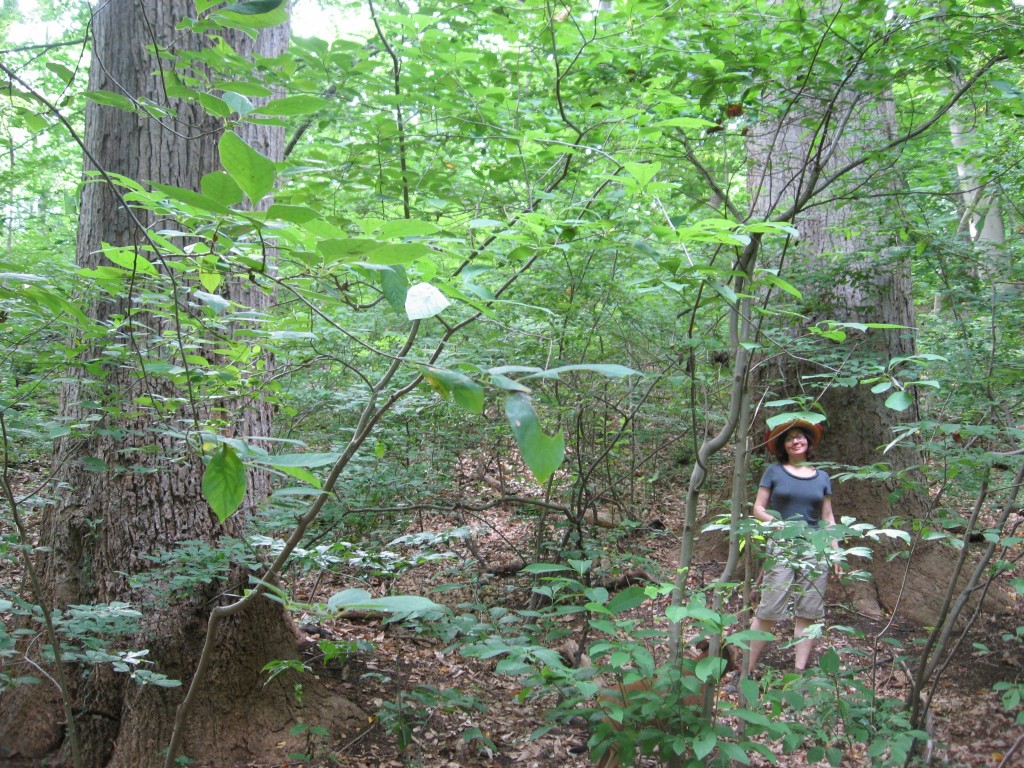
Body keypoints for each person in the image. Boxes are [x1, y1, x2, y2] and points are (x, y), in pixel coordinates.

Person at [748, 419, 840, 676]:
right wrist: (777, 525)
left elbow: (828, 516)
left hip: (814, 548)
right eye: (790, 438)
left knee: (808, 612)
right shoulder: (774, 472)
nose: (796, 441)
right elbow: (758, 509)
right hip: (783, 544)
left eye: (800, 437)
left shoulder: (822, 476)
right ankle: (746, 670)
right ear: (783, 446)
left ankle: (798, 672)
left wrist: (835, 549)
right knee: (769, 609)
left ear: (808, 442)